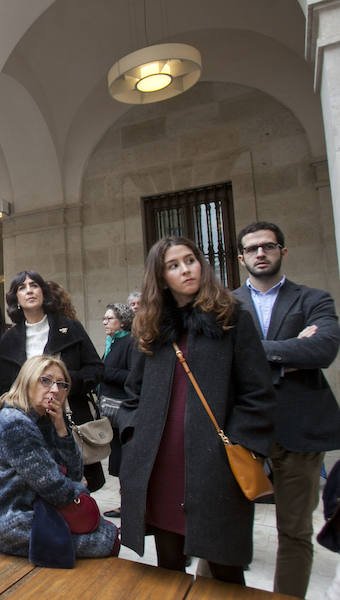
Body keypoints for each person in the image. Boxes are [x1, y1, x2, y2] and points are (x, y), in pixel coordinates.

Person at [118, 236, 275, 585]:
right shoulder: (152, 327)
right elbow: (133, 394)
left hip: (214, 468)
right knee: (168, 566)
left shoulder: (231, 318)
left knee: (225, 569)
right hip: (161, 465)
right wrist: (134, 437)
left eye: (190, 260)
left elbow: (257, 394)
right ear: (161, 278)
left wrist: (239, 444)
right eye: (173, 266)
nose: (185, 270)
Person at [233, 221, 340, 597]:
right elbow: (215, 361)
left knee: (294, 531)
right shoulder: (227, 305)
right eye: (252, 249)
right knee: (225, 524)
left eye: (268, 246)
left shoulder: (314, 299)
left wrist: (254, 353)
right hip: (243, 429)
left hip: (301, 429)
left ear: (282, 251)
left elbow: (323, 350)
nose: (260, 253)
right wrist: (290, 349)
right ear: (241, 257)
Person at [0, 355, 119, 559]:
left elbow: (75, 473)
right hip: (2, 520)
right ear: (27, 381)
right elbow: (54, 489)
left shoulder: (44, 417)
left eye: (62, 384)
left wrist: (61, 427)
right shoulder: (15, 422)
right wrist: (80, 490)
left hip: (31, 508)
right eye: (45, 380)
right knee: (107, 540)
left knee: (103, 531)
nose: (55, 390)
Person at [0, 271, 105, 491]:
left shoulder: (70, 328)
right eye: (22, 287)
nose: (29, 290)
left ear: (43, 292)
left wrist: (61, 385)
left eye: (34, 285)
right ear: (15, 299)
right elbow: (4, 386)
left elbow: (96, 369)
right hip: (29, 427)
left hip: (68, 420)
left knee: (76, 492)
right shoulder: (8, 339)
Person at [98, 302, 136, 519]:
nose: (104, 322)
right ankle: (125, 505)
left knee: (124, 463)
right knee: (117, 463)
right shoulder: (112, 342)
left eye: (109, 318)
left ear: (122, 321)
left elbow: (132, 376)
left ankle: (129, 507)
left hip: (123, 412)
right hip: (111, 414)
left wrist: (105, 372)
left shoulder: (130, 342)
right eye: (104, 318)